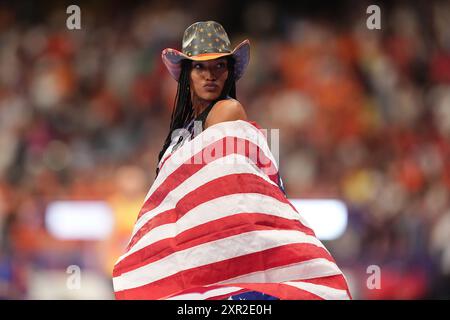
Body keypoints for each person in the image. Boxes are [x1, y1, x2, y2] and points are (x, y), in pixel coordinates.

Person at [157, 20, 286, 195]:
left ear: (229, 73)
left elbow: (215, 186)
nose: (209, 76)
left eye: (219, 66)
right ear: (187, 75)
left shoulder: (227, 110)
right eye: (199, 67)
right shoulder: (190, 124)